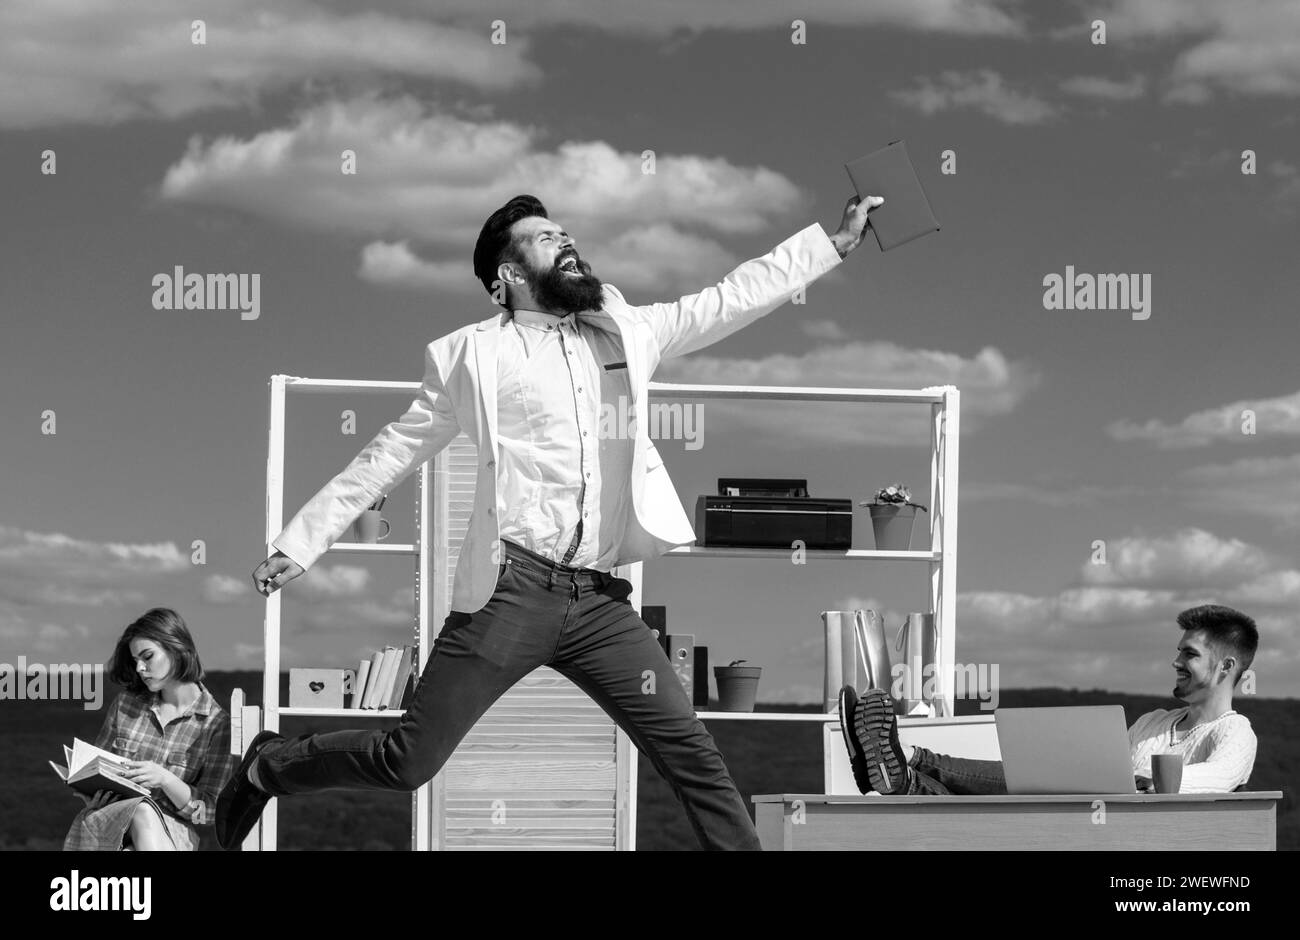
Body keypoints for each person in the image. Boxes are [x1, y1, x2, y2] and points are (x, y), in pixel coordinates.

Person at [218, 190, 884, 851]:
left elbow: (726, 299)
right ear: (507, 276)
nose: (565, 242)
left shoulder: (623, 328)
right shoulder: (470, 356)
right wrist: (303, 540)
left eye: (565, 233)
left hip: (598, 601)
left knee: (692, 752)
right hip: (510, 593)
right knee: (410, 760)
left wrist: (831, 243)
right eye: (544, 238)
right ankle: (268, 765)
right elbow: (392, 451)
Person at [839, 604, 1259, 796]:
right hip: (1084, 818)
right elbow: (1102, 769)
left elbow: (1220, 780)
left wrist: (1146, 784)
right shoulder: (1153, 721)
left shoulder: (1235, 732)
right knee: (1027, 782)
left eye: (1190, 654)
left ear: (1225, 667)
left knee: (1025, 786)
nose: (1176, 661)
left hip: (1126, 836)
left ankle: (905, 757)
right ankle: (903, 775)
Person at [64, 608, 238, 851]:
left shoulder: (216, 724)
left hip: (170, 834)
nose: (139, 668)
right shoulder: (126, 704)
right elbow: (97, 767)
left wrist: (165, 779)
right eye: (135, 661)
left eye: (147, 657)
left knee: (143, 812)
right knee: (139, 812)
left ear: (177, 648)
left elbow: (208, 811)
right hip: (110, 822)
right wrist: (92, 793)